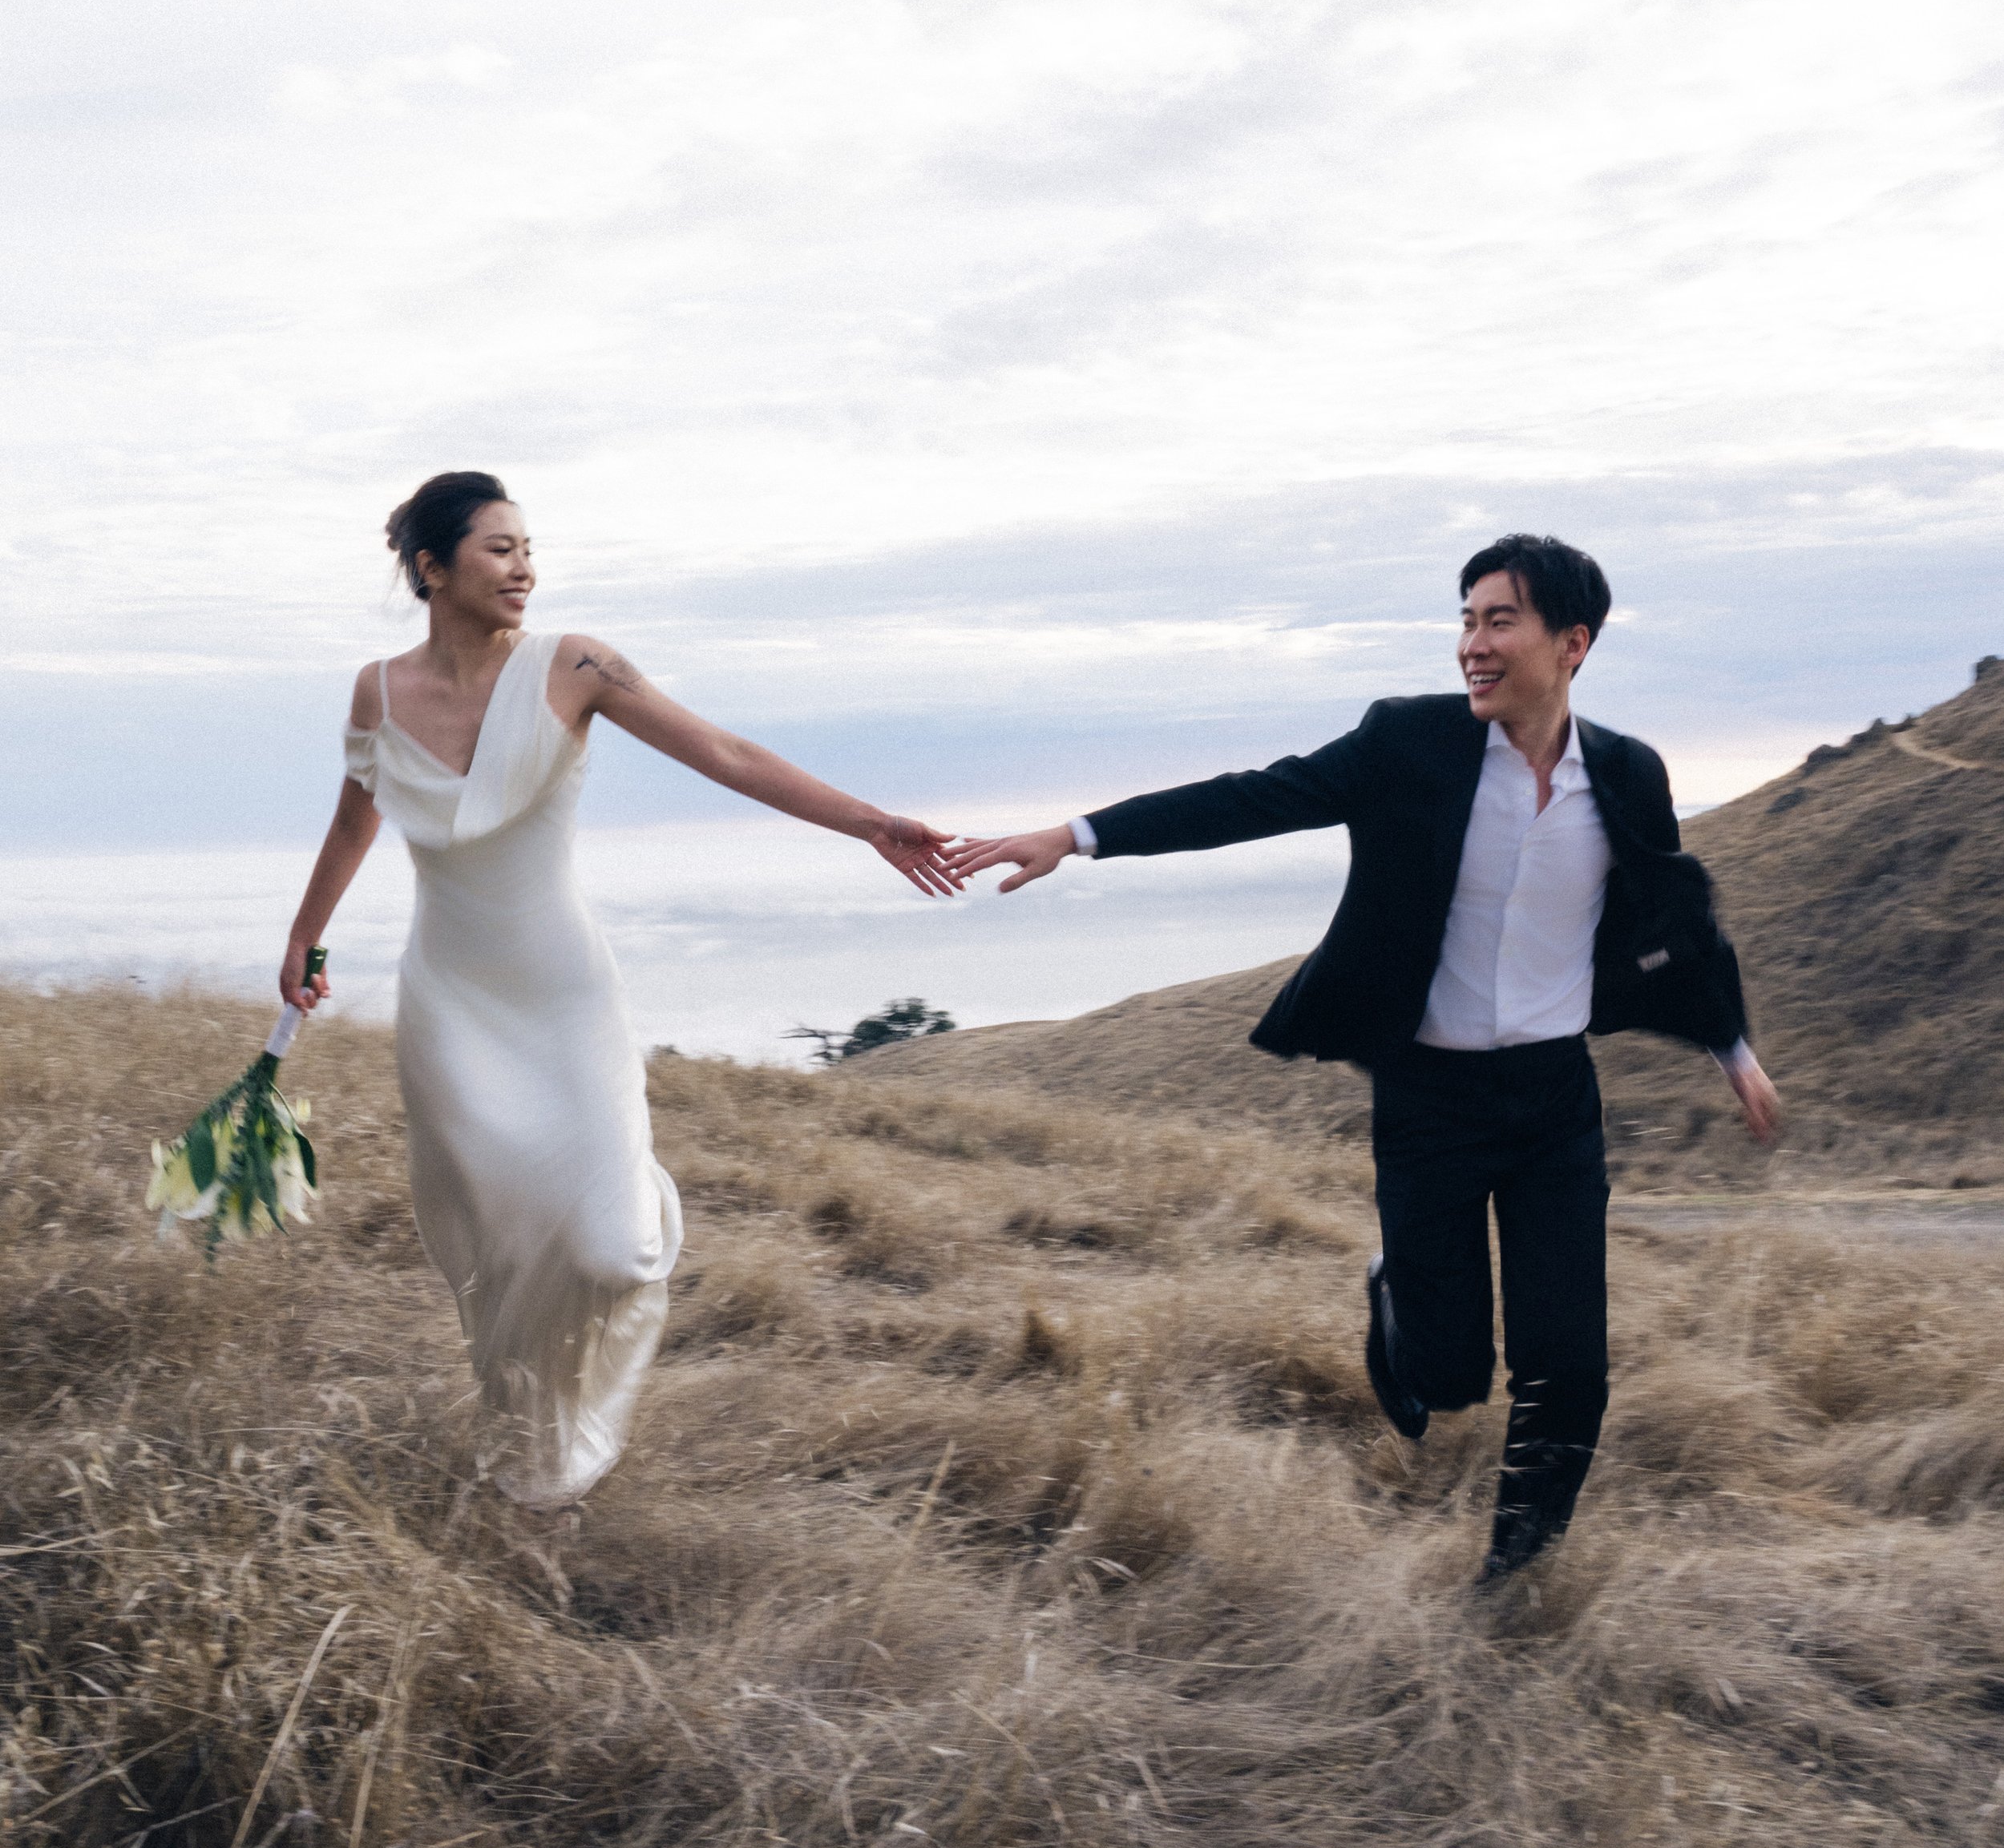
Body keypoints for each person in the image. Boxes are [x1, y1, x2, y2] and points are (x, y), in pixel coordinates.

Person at [952, 532, 1780, 1583]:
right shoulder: (1408, 742)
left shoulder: (1625, 773)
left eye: (1500, 621)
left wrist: (1730, 1047)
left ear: (1572, 643)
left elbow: (1677, 919)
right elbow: (1257, 796)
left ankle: (1513, 1579)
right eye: (1466, 621)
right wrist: (1077, 835)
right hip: (1430, 1095)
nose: (1473, 645)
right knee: (1445, 1374)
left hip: (1553, 1098)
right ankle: (1398, 1297)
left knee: (1567, 1363)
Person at [280, 470, 957, 1507]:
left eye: (528, 548)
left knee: (612, 1249)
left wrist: (871, 822)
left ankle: (605, 1315)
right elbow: (350, 820)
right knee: (505, 1247)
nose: (524, 568)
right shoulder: (377, 691)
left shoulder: (575, 664)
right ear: (431, 568)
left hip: (563, 992)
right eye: (499, 548)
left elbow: (723, 750)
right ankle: (529, 1448)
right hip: (450, 1000)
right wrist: (305, 936)